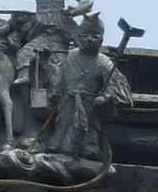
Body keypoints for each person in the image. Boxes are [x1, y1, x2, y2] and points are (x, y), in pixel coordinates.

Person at [45, 13, 132, 160]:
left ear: (102, 39)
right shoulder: (69, 56)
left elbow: (115, 85)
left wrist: (105, 97)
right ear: (78, 37)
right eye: (85, 35)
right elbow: (58, 77)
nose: (90, 39)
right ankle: (58, 147)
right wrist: (47, 66)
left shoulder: (104, 62)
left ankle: (88, 149)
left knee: (88, 132)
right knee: (64, 126)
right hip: (68, 102)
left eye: (95, 36)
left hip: (90, 104)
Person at [10, 0, 93, 87]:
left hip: (62, 30)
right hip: (41, 30)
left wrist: (74, 10)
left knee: (69, 56)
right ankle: (23, 75)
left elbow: (86, 1)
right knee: (25, 52)